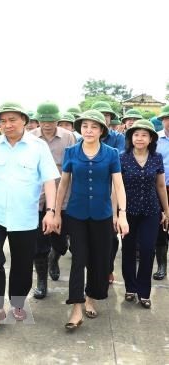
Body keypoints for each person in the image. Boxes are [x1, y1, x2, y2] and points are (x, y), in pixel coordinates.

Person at [0, 102, 59, 333]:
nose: (7, 125)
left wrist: (51, 212)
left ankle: (18, 302)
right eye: (3, 121)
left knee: (22, 263)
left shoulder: (38, 146)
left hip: (25, 216)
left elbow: (50, 181)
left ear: (24, 120)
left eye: (12, 120)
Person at [54, 109, 129, 330]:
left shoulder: (111, 153)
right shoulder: (71, 152)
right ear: (80, 129)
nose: (89, 130)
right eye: (85, 126)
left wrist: (121, 214)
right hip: (76, 214)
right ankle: (76, 307)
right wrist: (56, 212)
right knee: (78, 259)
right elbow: (63, 185)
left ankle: (91, 297)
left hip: (102, 214)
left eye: (94, 126)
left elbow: (118, 185)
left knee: (99, 260)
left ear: (101, 131)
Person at [119, 119, 169, 309]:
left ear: (151, 139)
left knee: (148, 250)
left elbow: (160, 185)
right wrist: (118, 213)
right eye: (136, 134)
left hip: (151, 210)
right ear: (131, 138)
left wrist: (166, 210)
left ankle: (144, 292)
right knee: (129, 250)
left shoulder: (156, 158)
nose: (139, 138)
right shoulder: (122, 157)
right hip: (128, 211)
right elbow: (117, 187)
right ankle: (130, 288)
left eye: (144, 135)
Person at [30, 102, 76, 299]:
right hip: (37, 198)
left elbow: (74, 164)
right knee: (39, 244)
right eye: (43, 120)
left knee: (61, 243)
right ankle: (41, 281)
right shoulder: (30, 137)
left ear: (58, 120)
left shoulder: (68, 137)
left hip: (62, 198)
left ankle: (54, 259)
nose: (47, 124)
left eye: (51, 120)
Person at [91, 101, 125, 284]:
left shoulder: (118, 138)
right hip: (90, 193)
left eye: (107, 115)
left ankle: (108, 268)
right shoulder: (85, 138)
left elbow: (115, 161)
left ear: (111, 118)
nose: (104, 117)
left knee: (111, 238)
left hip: (112, 190)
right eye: (100, 114)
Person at [154, 105, 169, 280]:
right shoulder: (155, 139)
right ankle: (161, 265)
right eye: (167, 118)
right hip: (160, 189)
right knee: (161, 227)